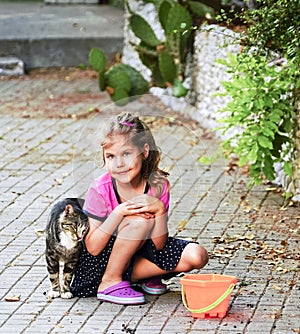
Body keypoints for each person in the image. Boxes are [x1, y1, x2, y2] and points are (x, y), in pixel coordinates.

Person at [71, 112, 208, 305]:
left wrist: (160, 210)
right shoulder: (100, 189)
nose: (119, 164)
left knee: (198, 255)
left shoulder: (158, 184)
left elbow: (159, 244)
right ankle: (110, 282)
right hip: (101, 263)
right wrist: (119, 213)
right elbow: (93, 248)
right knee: (139, 221)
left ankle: (139, 277)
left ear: (144, 151)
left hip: (143, 251)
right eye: (110, 156)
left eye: (126, 154)